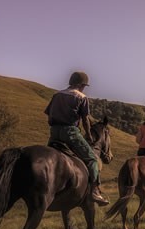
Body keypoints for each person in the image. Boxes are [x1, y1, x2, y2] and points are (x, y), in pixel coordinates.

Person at [44, 71, 109, 205]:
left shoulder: (57, 94)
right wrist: (89, 136)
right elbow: (85, 120)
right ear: (80, 85)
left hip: (54, 132)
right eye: (84, 85)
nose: (84, 88)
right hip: (70, 133)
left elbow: (48, 113)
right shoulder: (81, 97)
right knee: (92, 159)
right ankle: (95, 192)